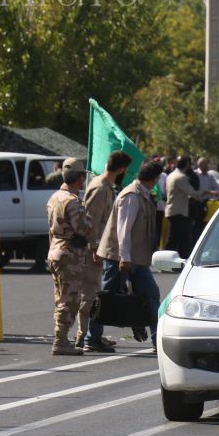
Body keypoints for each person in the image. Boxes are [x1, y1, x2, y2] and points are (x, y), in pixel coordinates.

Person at [95, 161, 163, 351]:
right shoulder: (131, 196)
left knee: (151, 295)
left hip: (136, 258)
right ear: (155, 179)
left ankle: (158, 341)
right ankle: (92, 338)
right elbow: (123, 230)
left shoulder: (143, 194)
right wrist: (124, 257)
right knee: (106, 298)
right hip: (120, 258)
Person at [78, 150, 133, 352]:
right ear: (121, 169)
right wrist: (95, 247)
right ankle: (87, 337)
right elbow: (90, 221)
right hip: (94, 249)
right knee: (91, 294)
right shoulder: (101, 187)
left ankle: (92, 334)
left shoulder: (106, 186)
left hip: (100, 247)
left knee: (95, 293)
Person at [45, 158, 92, 356]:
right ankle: (61, 340)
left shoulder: (54, 197)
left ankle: (61, 338)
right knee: (69, 299)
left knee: (61, 297)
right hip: (69, 254)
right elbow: (83, 228)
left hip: (56, 250)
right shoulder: (72, 201)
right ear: (80, 178)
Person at [165, 156, 215, 258]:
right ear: (187, 164)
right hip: (179, 212)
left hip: (172, 210)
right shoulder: (181, 177)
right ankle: (167, 259)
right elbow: (192, 193)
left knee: (178, 239)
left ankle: (171, 259)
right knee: (179, 240)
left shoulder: (171, 175)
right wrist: (206, 192)